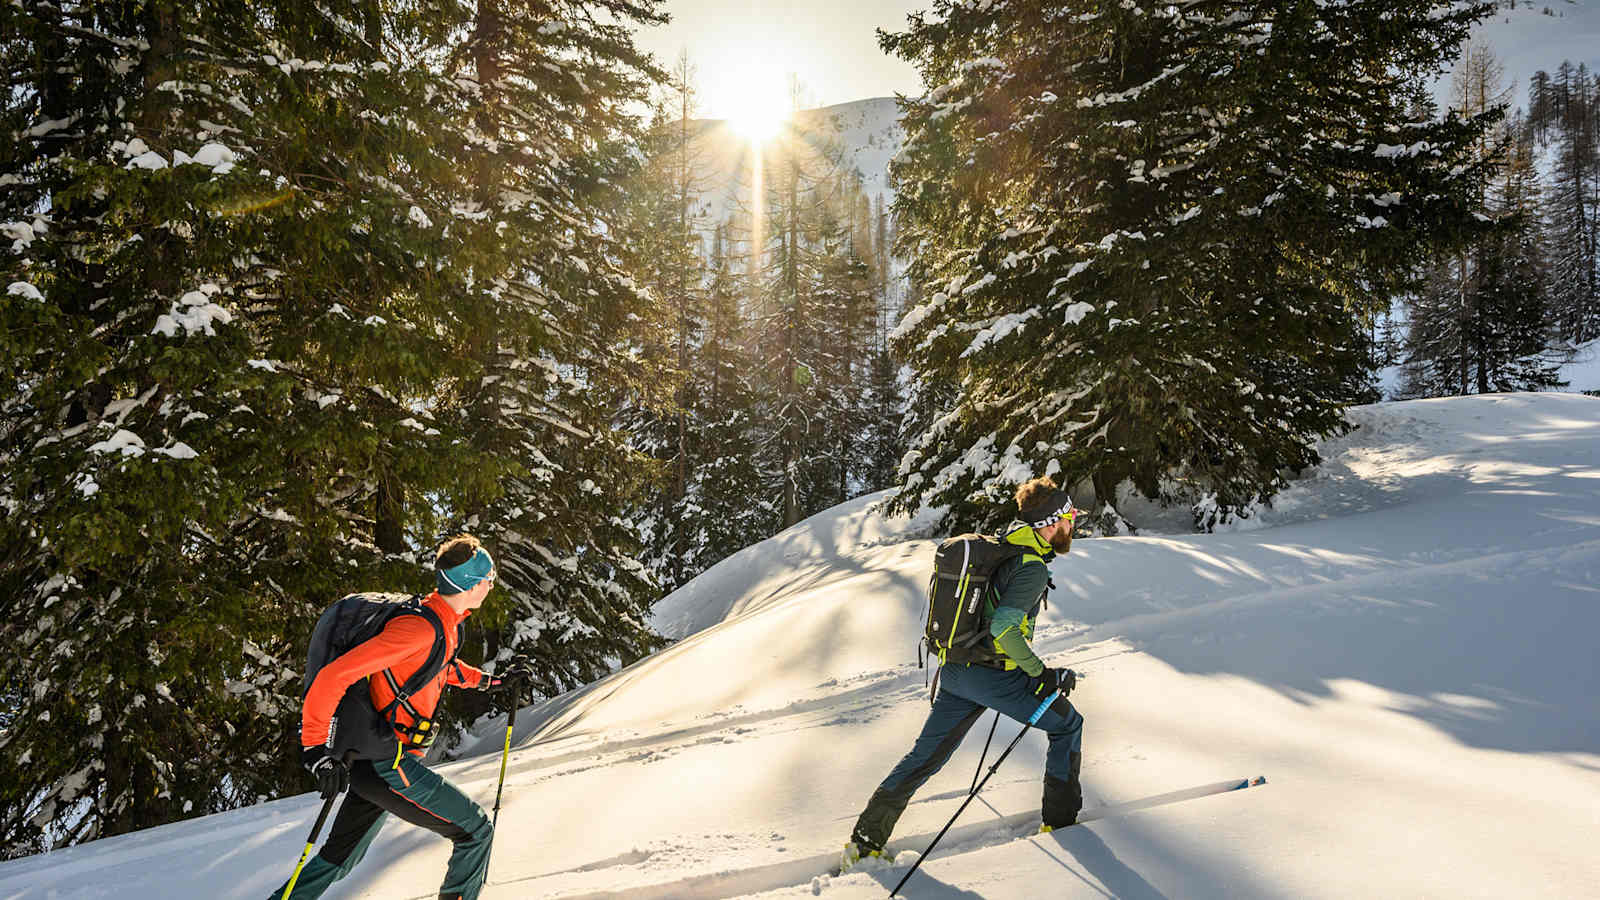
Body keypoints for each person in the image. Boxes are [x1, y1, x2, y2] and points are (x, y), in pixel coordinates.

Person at [268, 535, 532, 900]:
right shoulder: (420, 628)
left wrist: (491, 682)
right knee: (475, 832)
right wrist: (315, 748)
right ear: (471, 585)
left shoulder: (446, 621)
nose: (492, 584)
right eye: (489, 577)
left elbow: (440, 666)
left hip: (378, 760)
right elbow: (334, 676)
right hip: (385, 765)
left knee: (340, 858)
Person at [843, 476, 1085, 870]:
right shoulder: (1031, 567)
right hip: (994, 679)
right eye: (1069, 516)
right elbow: (1005, 627)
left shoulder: (1005, 547)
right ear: (1050, 522)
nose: (1072, 523)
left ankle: (864, 842)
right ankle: (1061, 826)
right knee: (1068, 725)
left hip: (956, 671)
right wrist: (1040, 673)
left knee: (925, 756)